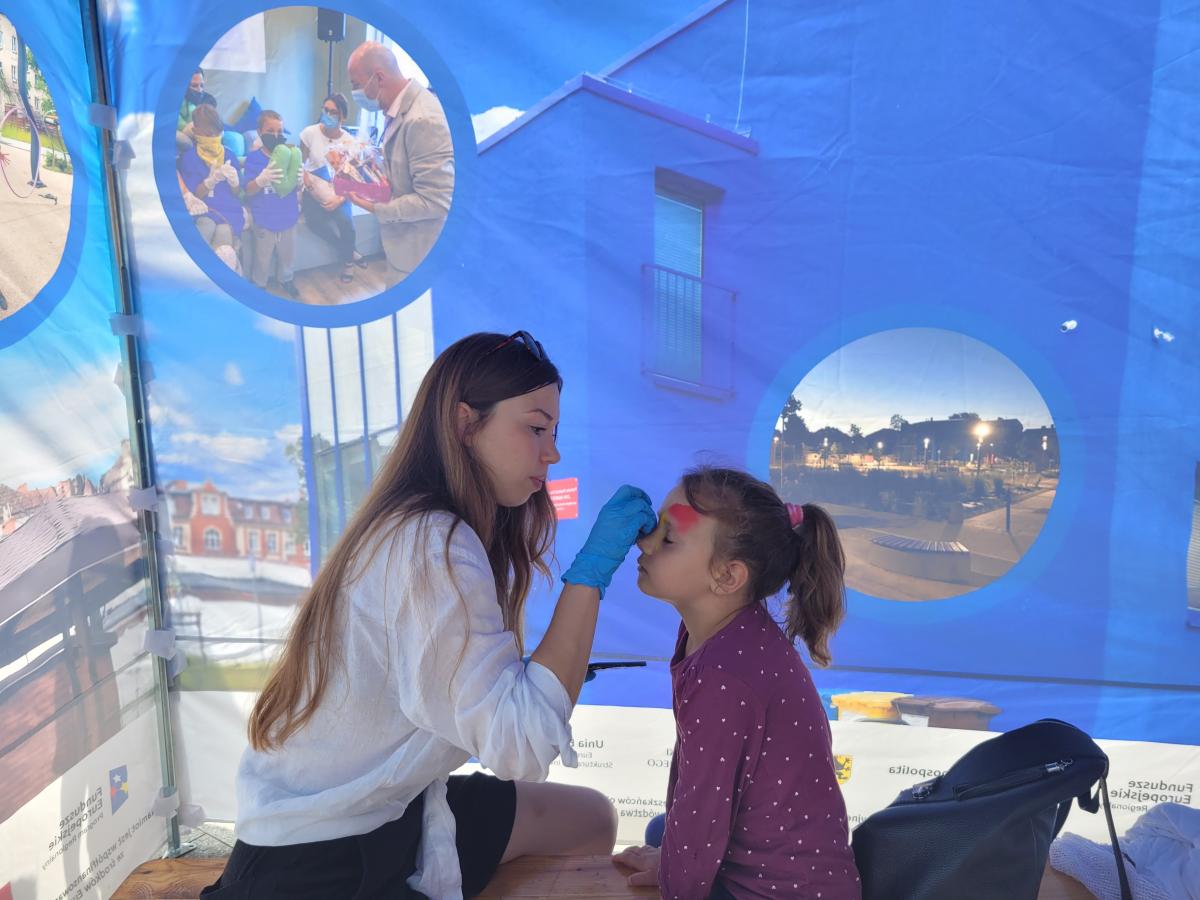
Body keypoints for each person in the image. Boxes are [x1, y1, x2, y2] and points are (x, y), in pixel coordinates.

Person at [201, 331, 658, 899]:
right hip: (323, 852)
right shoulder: (430, 544)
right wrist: (590, 575)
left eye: (555, 432)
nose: (553, 453)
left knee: (589, 820)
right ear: (466, 424)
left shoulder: (427, 526)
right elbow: (519, 744)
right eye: (536, 428)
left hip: (394, 805)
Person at [614, 467, 862, 898]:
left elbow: (700, 813)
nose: (644, 542)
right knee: (661, 831)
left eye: (668, 539)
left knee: (670, 843)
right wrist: (671, 856)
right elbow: (697, 795)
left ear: (727, 577)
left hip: (781, 892)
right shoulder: (720, 635)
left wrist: (673, 876)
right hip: (774, 867)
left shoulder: (725, 676)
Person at [345, 41, 454, 287]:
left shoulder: (424, 119)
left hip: (418, 254)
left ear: (378, 77)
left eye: (355, 84)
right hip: (402, 247)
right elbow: (404, 165)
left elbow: (436, 201)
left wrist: (376, 207)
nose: (354, 93)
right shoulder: (396, 109)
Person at [298, 92, 367, 284]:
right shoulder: (309, 133)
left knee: (346, 222)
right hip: (313, 188)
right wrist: (306, 180)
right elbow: (300, 164)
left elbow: (353, 178)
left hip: (340, 190)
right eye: (325, 110)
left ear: (343, 116)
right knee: (314, 222)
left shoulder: (350, 142)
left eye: (333, 112)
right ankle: (349, 252)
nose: (327, 115)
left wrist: (340, 199)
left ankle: (348, 264)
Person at [177, 103, 243, 271]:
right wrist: (210, 181)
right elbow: (195, 197)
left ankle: (220, 274)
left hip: (227, 211)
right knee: (205, 227)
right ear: (195, 131)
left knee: (224, 236)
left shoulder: (229, 155)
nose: (213, 137)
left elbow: (237, 194)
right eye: (207, 134)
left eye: (216, 133)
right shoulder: (189, 158)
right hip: (204, 210)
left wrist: (234, 182)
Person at [242, 110, 300, 297]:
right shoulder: (254, 158)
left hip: (288, 215)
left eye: (280, 131)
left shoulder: (290, 155)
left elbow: (296, 188)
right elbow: (248, 190)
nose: (276, 135)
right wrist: (260, 180)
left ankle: (286, 279)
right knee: (262, 256)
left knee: (287, 254)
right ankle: (260, 283)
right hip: (264, 217)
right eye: (270, 131)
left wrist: (300, 181)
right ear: (260, 132)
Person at [176, 67, 218, 154]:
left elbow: (213, 122)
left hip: (206, 132)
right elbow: (177, 123)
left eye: (201, 85)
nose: (199, 90)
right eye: (194, 86)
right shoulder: (175, 99)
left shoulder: (209, 99)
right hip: (186, 132)